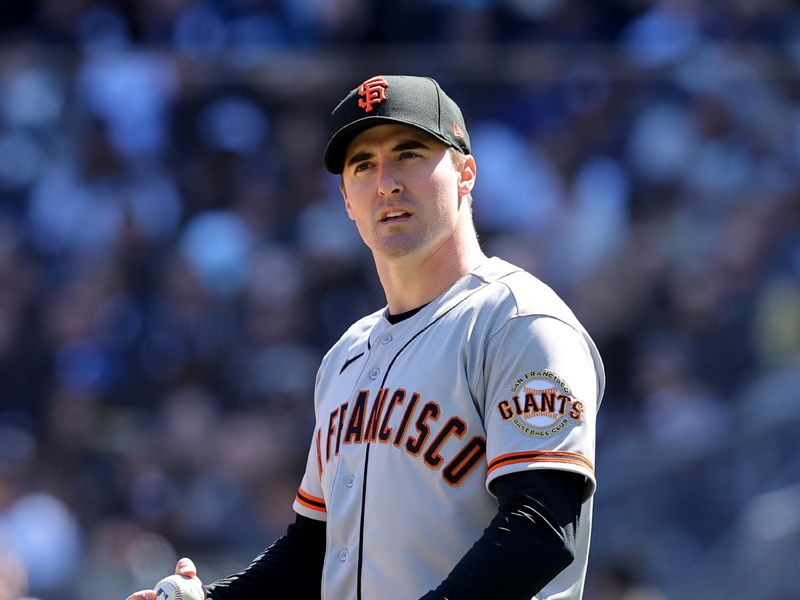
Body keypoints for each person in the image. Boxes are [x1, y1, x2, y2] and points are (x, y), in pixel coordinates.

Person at [127, 74, 605, 600]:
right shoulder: (345, 357)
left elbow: (541, 528)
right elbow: (314, 549)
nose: (386, 182)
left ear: (466, 174)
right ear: (347, 200)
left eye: (409, 153)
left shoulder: (517, 322)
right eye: (363, 165)